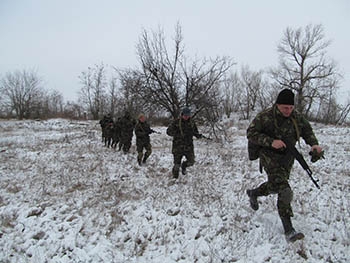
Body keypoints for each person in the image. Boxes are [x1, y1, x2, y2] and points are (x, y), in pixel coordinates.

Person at [246, 88, 323, 242]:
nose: (288, 110)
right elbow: (251, 133)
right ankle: (289, 230)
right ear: (277, 105)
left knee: (276, 186)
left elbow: (307, 130)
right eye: (285, 108)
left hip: (287, 157)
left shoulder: (296, 117)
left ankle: (254, 193)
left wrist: (314, 145)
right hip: (269, 155)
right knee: (285, 190)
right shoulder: (265, 116)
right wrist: (271, 142)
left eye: (291, 107)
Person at [166, 107, 202, 178]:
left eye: (188, 115)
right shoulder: (176, 122)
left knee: (191, 162)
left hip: (188, 147)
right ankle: (175, 178)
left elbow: (195, 132)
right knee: (176, 165)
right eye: (185, 115)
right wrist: (178, 134)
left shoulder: (192, 123)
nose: (186, 117)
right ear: (182, 115)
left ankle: (184, 166)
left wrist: (198, 135)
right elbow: (168, 132)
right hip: (177, 147)